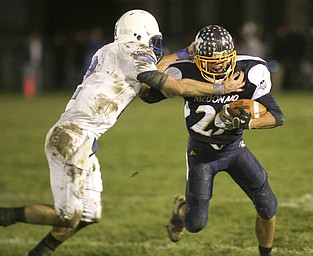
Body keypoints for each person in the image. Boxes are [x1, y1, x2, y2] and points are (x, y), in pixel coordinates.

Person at [0, 11, 244, 256]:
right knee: (67, 216)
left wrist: (183, 53)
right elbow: (175, 86)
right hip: (72, 137)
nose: (153, 46)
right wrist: (222, 87)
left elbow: (147, 82)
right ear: (140, 34)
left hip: (80, 138)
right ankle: (4, 216)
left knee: (88, 215)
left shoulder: (111, 51)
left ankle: (39, 252)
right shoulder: (131, 50)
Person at [140, 25, 285, 256]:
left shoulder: (250, 70)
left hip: (235, 148)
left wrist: (248, 123)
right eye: (211, 61)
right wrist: (177, 55)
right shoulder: (183, 71)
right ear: (197, 58)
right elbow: (145, 89)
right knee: (195, 223)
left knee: (269, 206)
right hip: (202, 154)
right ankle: (180, 209)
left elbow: (277, 116)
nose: (218, 66)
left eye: (222, 60)